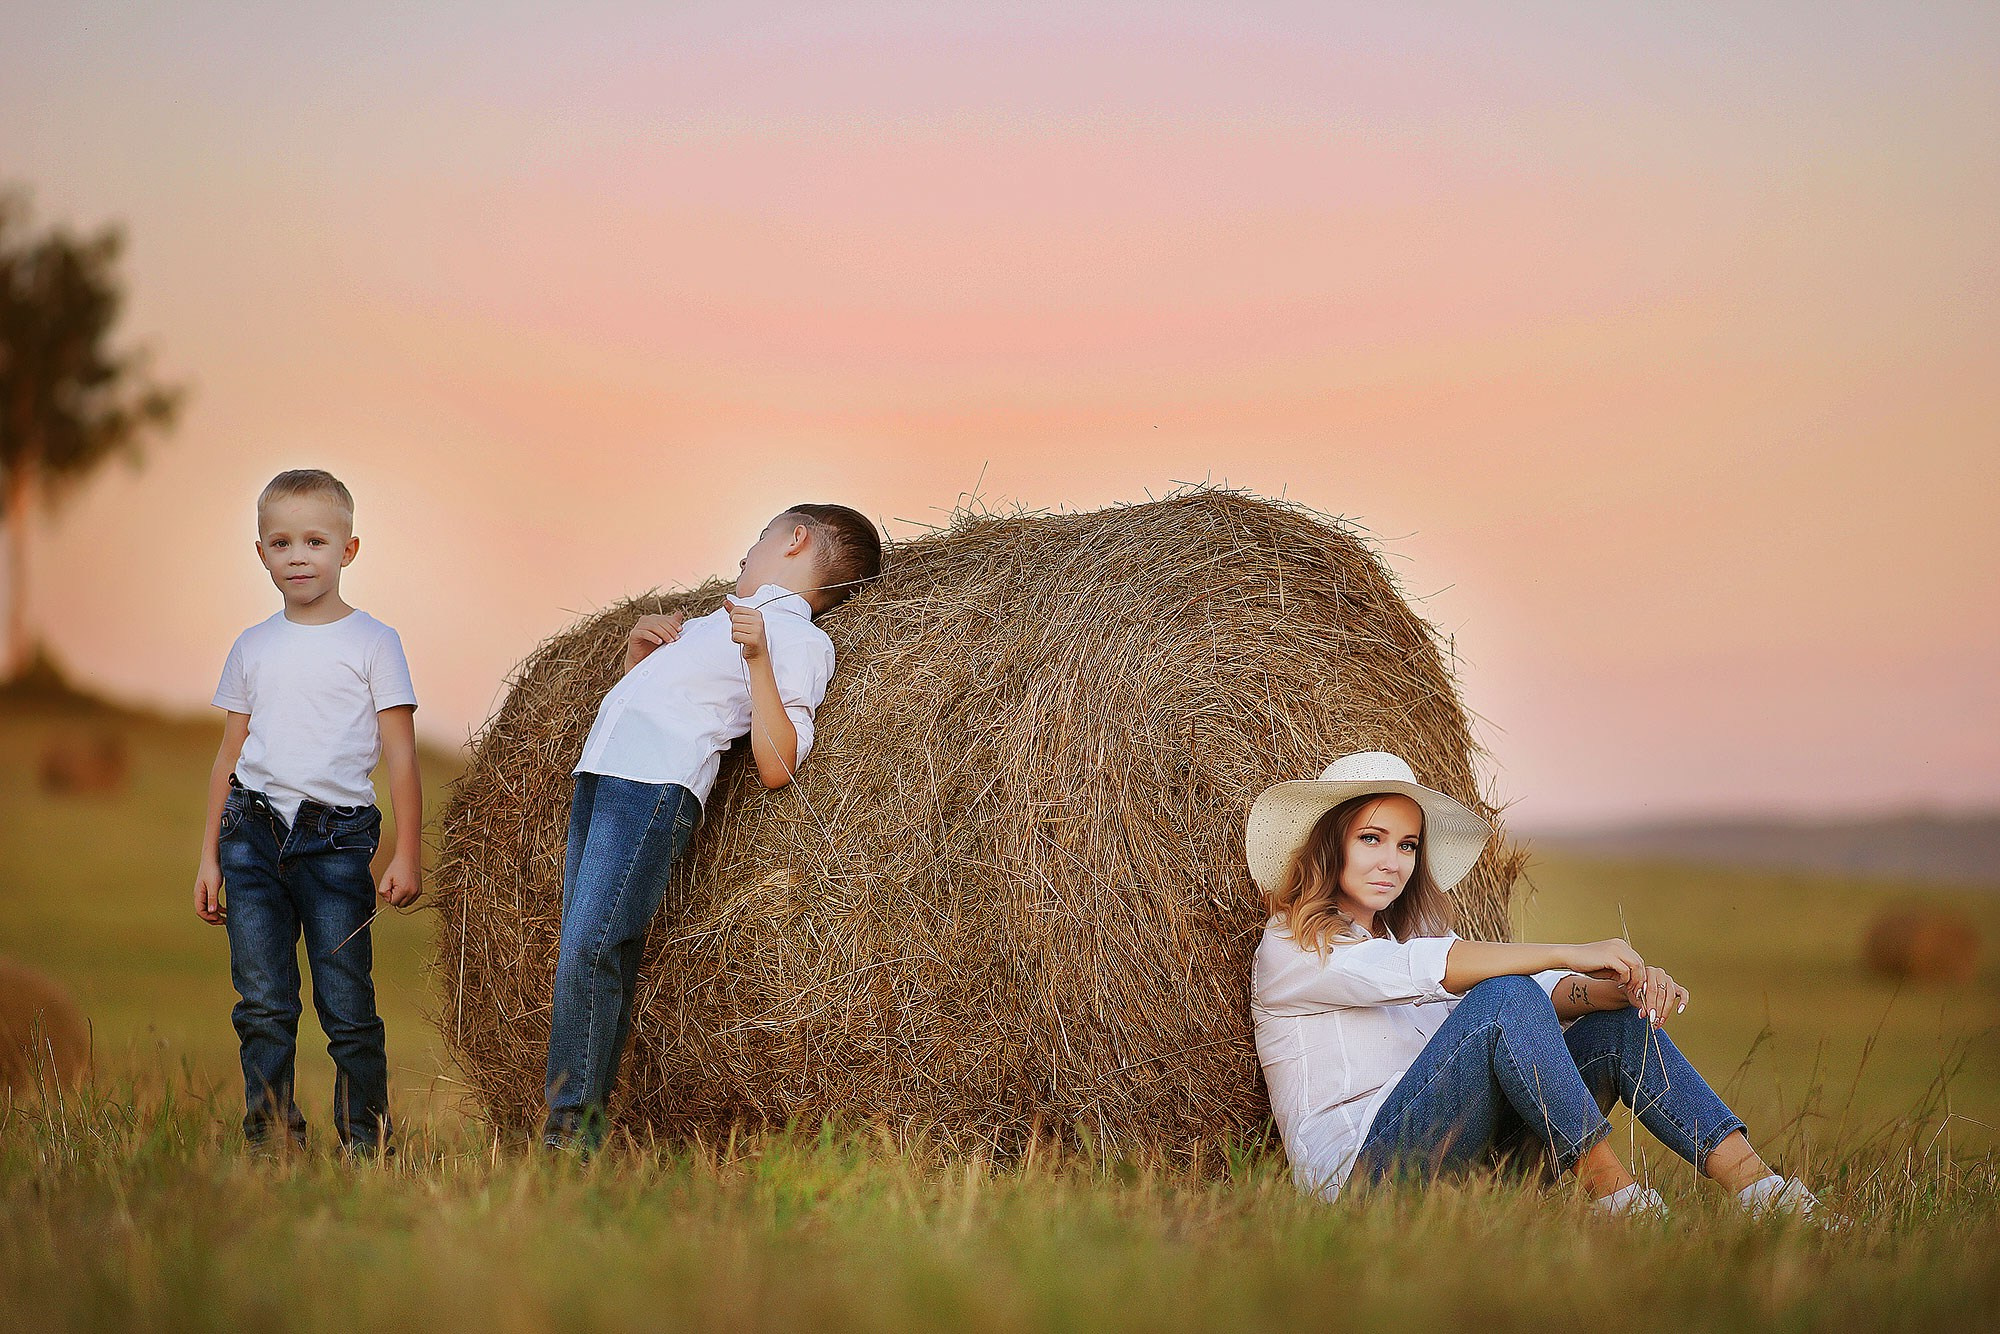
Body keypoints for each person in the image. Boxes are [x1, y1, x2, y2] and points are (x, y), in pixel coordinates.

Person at [1248, 751, 1825, 1219]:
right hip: (1359, 1189)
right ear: (1331, 844)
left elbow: (1540, 997)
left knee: (1611, 1023)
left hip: (1466, 1169)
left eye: (1407, 845)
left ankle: (1767, 1197)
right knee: (1503, 994)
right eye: (1370, 839)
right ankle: (1616, 1198)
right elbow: (1444, 973)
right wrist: (1572, 950)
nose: (1392, 861)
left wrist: (1619, 990)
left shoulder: (1406, 941)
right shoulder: (1293, 948)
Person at [543, 503, 884, 1151]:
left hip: (653, 787)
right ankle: (575, 1134)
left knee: (592, 953)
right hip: (606, 778)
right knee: (587, 956)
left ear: (795, 539)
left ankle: (567, 1144)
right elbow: (666, 704)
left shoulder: (800, 638)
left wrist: (759, 659)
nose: (746, 551)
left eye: (761, 536)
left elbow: (778, 762)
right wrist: (635, 655)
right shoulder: (714, 621)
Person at [194, 469, 423, 1155]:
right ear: (260, 553)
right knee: (263, 1006)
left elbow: (402, 758)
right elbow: (227, 757)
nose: (298, 555)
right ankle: (273, 1141)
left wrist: (406, 852)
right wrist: (209, 855)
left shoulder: (375, 642)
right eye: (281, 542)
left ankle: (366, 1142)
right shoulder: (252, 646)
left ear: (348, 550)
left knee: (347, 1008)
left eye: (316, 541)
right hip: (251, 837)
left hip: (336, 842)